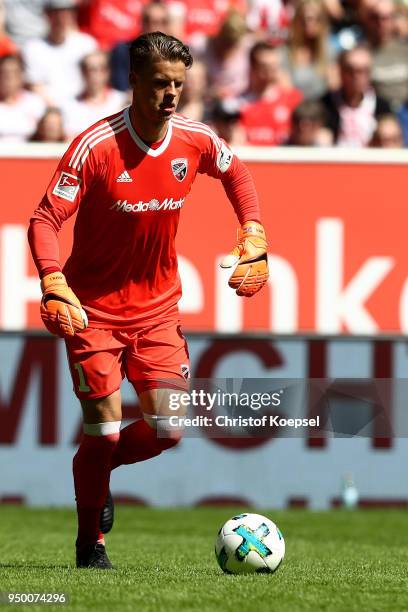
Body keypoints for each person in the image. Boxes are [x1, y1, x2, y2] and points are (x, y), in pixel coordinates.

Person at [27, 31, 269, 569]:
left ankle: (99, 468)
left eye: (179, 84)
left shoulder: (194, 139)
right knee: (104, 427)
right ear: (132, 81)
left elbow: (236, 172)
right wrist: (51, 278)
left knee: (169, 428)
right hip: (92, 310)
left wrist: (252, 228)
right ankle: (91, 544)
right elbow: (45, 219)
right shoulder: (95, 146)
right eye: (160, 84)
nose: (171, 95)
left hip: (159, 307)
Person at [22, 0, 98, 106]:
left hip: (84, 106)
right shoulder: (32, 47)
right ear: (47, 14)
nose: (61, 18)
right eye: (56, 13)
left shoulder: (87, 44)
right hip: (48, 110)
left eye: (66, 12)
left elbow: (96, 80)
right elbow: (35, 86)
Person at [320, 44, 391, 146]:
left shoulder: (382, 108)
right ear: (341, 71)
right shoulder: (325, 105)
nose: (357, 76)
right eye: (351, 70)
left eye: (363, 71)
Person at [238, 41, 303, 146]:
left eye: (274, 66)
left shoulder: (293, 99)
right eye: (265, 66)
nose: (270, 71)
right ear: (253, 67)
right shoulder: (238, 104)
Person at [279, 0, 339, 100]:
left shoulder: (329, 50)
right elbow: (286, 89)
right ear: (296, 21)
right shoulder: (285, 52)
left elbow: (334, 85)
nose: (309, 24)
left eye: (316, 19)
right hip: (296, 108)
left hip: (323, 108)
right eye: (304, 19)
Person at [63, 51, 127, 138]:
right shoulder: (69, 105)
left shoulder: (122, 102)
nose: (96, 74)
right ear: (82, 72)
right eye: (91, 70)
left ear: (108, 72)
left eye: (102, 69)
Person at [0, 54, 45, 141]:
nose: (9, 77)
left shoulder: (35, 102)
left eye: (14, 73)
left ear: (21, 76)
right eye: (4, 73)